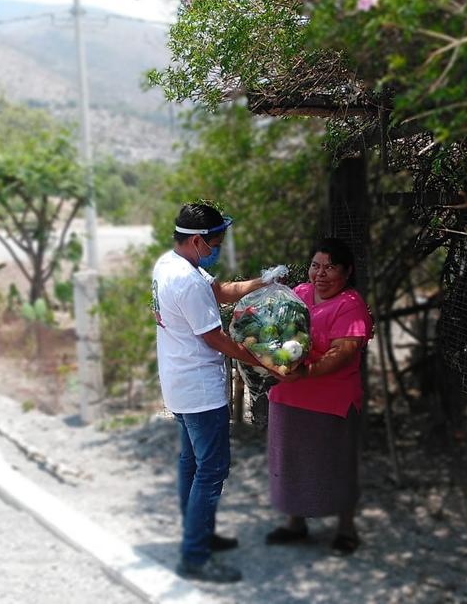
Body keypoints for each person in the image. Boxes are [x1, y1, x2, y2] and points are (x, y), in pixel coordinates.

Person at [151, 202, 285, 583]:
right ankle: (196, 555)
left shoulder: (170, 265)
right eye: (215, 242)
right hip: (200, 389)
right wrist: (262, 359)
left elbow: (224, 292)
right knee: (211, 470)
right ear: (196, 241)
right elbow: (214, 338)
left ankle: (200, 534)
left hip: (179, 382)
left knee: (190, 463)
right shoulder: (189, 282)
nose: (217, 248)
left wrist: (263, 282)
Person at [266, 237, 373, 555]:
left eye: (330, 267)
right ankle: (295, 523)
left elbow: (345, 350)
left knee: (336, 465)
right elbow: (276, 332)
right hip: (289, 397)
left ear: (347, 271)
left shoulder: (350, 305)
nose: (321, 274)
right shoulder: (298, 294)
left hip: (331, 402)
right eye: (316, 265)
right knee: (292, 462)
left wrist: (308, 373)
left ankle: (346, 529)